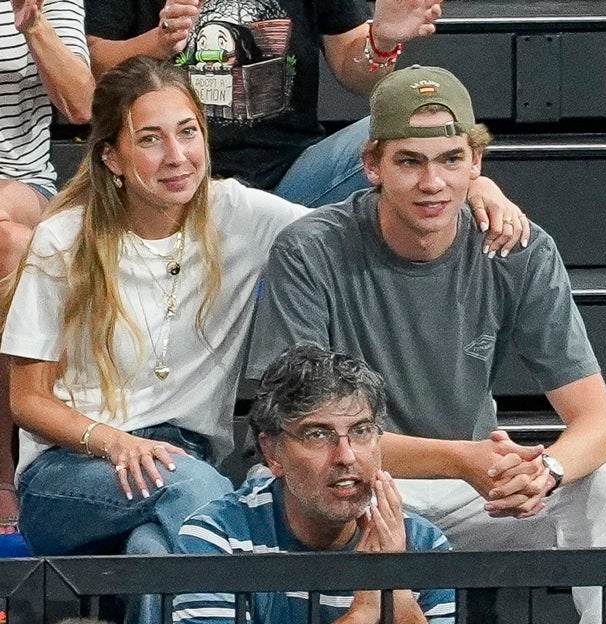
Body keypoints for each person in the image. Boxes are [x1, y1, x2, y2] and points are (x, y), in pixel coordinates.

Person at [246, 64, 606, 623]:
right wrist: (463, 459)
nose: (433, 183)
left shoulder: (516, 248)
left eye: (450, 160)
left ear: (475, 164)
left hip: (475, 492)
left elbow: (602, 425)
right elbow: (305, 431)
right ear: (371, 165)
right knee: (285, 480)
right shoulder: (311, 250)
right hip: (360, 478)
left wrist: (543, 474)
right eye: (410, 162)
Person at [0, 55, 309, 622]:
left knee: (156, 557)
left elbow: (354, 226)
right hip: (70, 473)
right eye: (150, 139)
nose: (177, 156)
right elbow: (27, 399)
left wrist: (479, 186)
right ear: (112, 157)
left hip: (181, 460)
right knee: (205, 500)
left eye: (188, 132)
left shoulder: (239, 214)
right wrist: (115, 442)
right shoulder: (62, 240)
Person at [83, 0, 529, 256]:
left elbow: (356, 73)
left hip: (293, 184)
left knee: (403, 123)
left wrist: (382, 39)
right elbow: (94, 67)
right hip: (172, 186)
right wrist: (158, 43)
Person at [173, 343, 456, 624]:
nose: (346, 456)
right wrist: (363, 612)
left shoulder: (423, 544)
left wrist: (397, 584)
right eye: (318, 435)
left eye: (361, 431)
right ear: (273, 453)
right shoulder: (220, 537)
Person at [0, 0, 94, 541]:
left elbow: (81, 104)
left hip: (20, 182)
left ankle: (4, 465)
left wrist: (33, 23)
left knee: (10, 241)